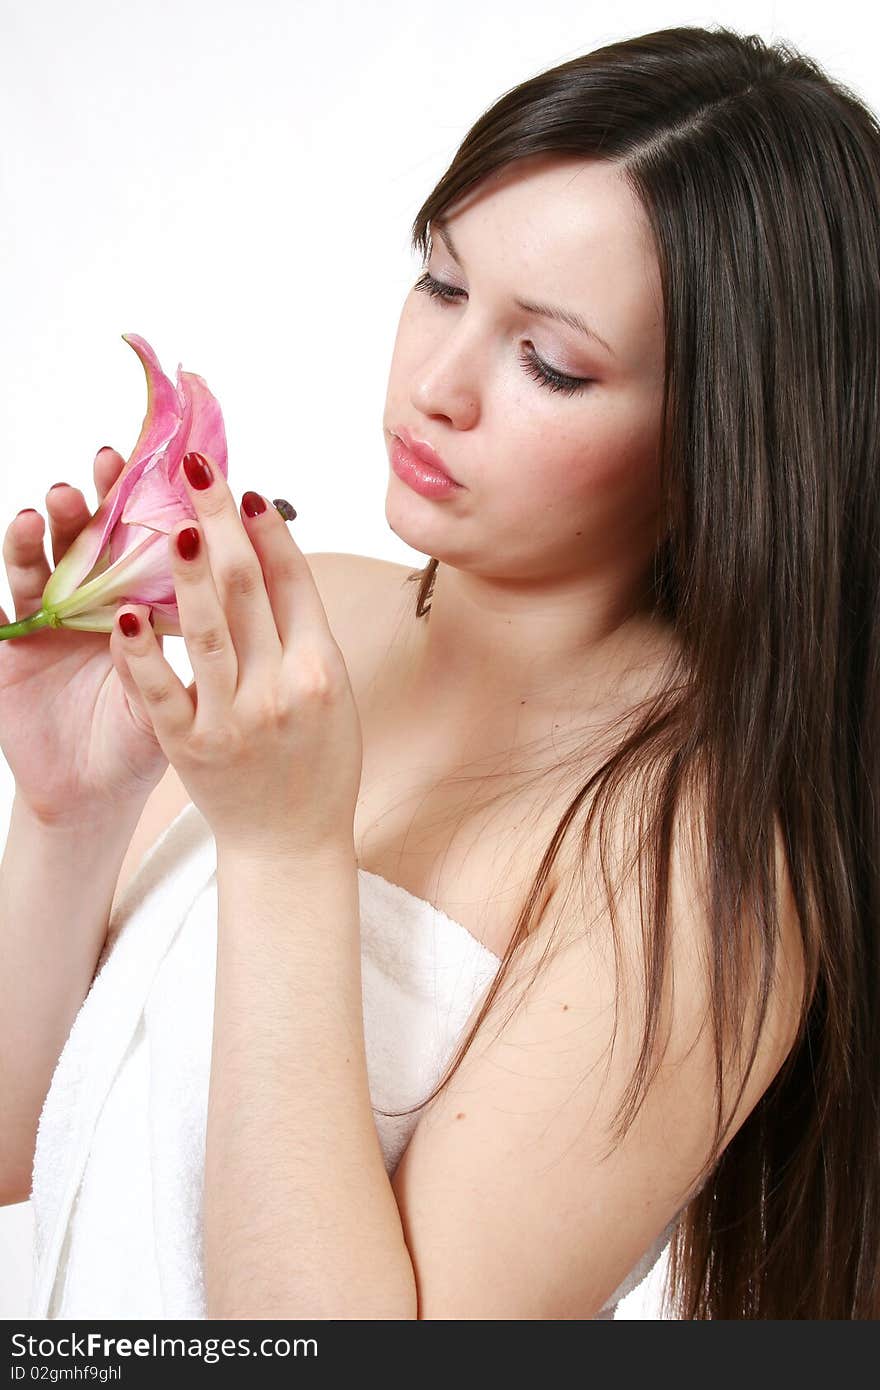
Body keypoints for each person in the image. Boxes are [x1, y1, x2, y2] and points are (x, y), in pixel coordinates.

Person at [1, 21, 877, 1320]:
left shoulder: (709, 860)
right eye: (444, 284)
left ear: (725, 441)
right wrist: (72, 812)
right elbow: (29, 1161)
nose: (440, 385)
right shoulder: (323, 615)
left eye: (552, 361)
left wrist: (290, 854)